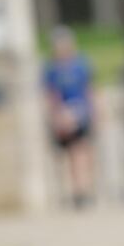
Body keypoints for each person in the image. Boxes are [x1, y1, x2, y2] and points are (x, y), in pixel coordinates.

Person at [42, 25, 97, 208]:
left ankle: (82, 190)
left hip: (80, 113)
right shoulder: (51, 69)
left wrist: (94, 112)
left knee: (80, 152)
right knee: (66, 154)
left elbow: (89, 90)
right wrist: (56, 115)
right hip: (62, 115)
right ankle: (72, 190)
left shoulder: (81, 64)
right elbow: (51, 95)